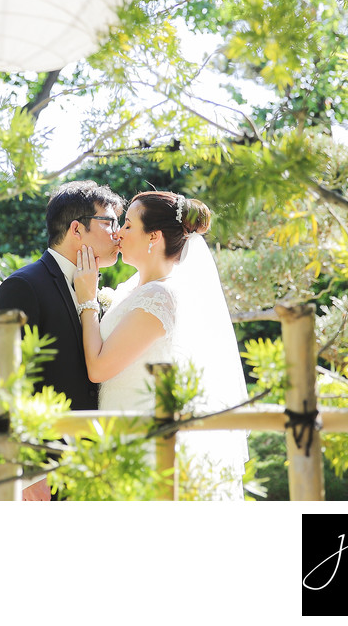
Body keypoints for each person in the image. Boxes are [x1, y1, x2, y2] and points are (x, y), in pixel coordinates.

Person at [73, 191, 249, 500]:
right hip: (121, 433)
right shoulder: (133, 288)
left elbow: (99, 368)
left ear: (153, 236)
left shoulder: (161, 297)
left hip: (145, 443)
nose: (118, 232)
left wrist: (87, 300)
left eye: (127, 225)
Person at [0, 180, 124, 501]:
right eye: (110, 223)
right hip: (45, 472)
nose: (118, 233)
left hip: (93, 468)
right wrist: (26, 474)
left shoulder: (94, 289)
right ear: (77, 230)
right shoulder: (23, 285)